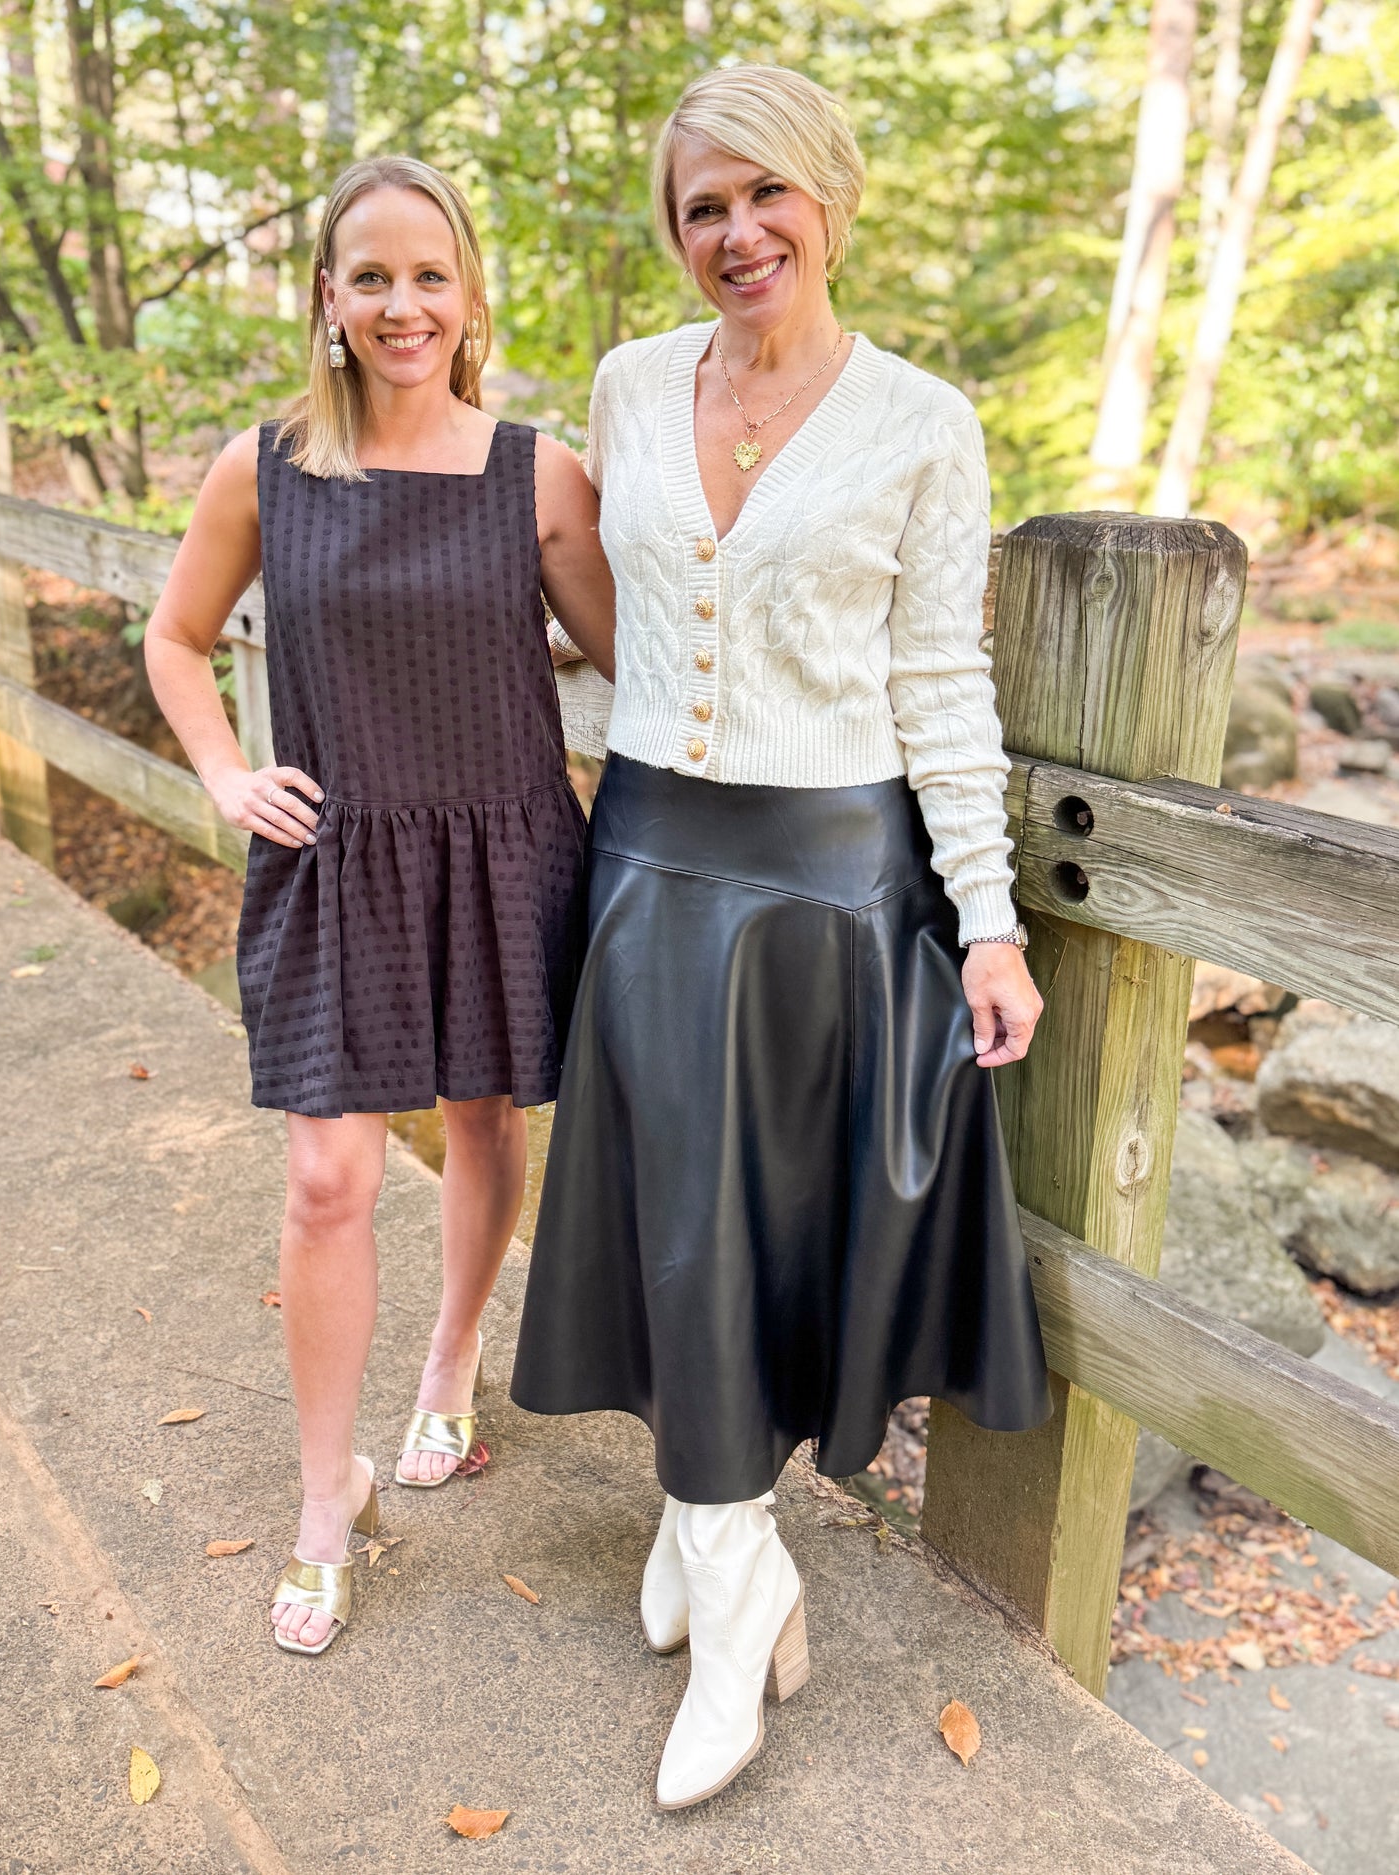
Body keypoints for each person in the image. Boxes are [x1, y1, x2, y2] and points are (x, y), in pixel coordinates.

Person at [512, 66, 1050, 1805]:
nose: (734, 233)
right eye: (700, 208)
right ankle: (730, 1557)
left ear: (829, 195)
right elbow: (619, 613)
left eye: (764, 195)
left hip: (826, 888)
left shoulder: (921, 421)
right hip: (651, 857)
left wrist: (989, 921)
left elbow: (939, 684)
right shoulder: (626, 386)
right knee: (670, 1229)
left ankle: (726, 1583)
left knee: (745, 1240)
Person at [146, 155, 615, 1655]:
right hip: (336, 856)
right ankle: (322, 1496)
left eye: (431, 275)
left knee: (488, 1123)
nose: (402, 303)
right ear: (327, 300)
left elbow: (652, 666)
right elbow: (175, 636)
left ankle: (452, 1365)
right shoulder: (264, 466)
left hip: (501, 847)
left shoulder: (537, 474)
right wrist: (225, 770)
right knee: (328, 1182)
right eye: (372, 276)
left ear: (470, 297)